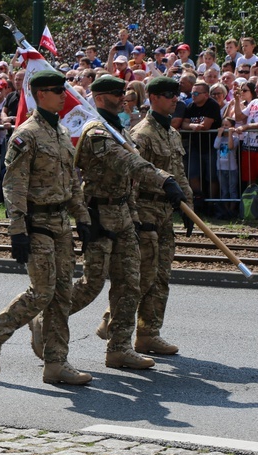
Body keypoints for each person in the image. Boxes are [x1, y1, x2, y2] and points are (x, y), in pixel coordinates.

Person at [47, 76, 187, 370]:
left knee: (130, 284)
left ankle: (119, 348)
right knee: (91, 284)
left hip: (123, 214)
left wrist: (139, 214)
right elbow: (128, 164)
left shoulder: (118, 128)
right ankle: (46, 319)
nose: (122, 97)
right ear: (98, 98)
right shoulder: (97, 132)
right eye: (114, 93)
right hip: (99, 215)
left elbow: (127, 182)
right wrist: (164, 180)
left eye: (122, 92)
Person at [0, 70, 93, 385]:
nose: (62, 96)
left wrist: (81, 217)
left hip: (61, 224)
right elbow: (13, 186)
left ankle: (56, 363)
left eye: (63, 90)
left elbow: (72, 182)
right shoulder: (26, 134)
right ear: (40, 94)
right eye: (57, 91)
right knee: (42, 291)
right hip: (37, 222)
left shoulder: (60, 133)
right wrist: (17, 231)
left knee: (62, 295)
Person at [97, 77, 194, 355]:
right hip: (146, 212)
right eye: (167, 94)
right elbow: (133, 179)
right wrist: (137, 217)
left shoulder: (172, 133)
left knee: (161, 275)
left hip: (166, 212)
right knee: (141, 276)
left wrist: (188, 207)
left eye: (176, 94)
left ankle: (149, 332)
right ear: (152, 97)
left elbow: (179, 174)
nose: (175, 99)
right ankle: (110, 322)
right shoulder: (142, 134)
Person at [182, 80, 222, 210]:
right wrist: (193, 126)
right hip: (195, 146)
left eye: (196, 93)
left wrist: (193, 126)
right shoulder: (190, 106)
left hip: (211, 146)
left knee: (211, 176)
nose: (193, 95)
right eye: (192, 92)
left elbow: (206, 126)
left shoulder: (212, 105)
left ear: (206, 95)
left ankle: (211, 203)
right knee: (193, 174)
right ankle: (198, 200)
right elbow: (184, 124)